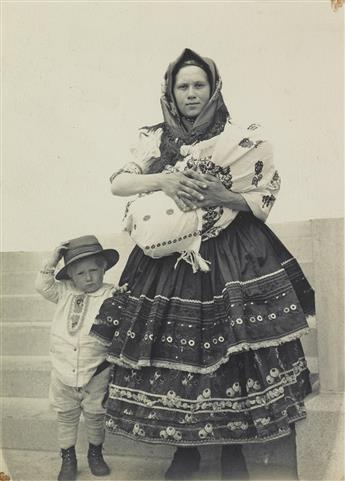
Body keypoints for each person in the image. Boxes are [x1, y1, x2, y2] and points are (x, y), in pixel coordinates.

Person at [90, 49, 315, 480]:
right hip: (170, 256)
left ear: (213, 90)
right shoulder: (154, 137)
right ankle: (185, 451)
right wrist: (164, 179)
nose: (191, 93)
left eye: (199, 85)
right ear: (171, 92)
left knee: (233, 348)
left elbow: (263, 195)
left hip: (232, 252)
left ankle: (234, 450)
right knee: (173, 352)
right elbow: (118, 182)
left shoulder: (239, 140)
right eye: (183, 86)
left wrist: (222, 196)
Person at [35, 235, 125, 481]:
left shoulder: (111, 294)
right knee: (66, 416)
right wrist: (50, 262)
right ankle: (68, 457)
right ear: (70, 276)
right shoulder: (63, 291)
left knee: (96, 416)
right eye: (80, 273)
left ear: (104, 268)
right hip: (62, 371)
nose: (88, 278)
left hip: (96, 370)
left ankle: (95, 454)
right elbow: (43, 286)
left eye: (94, 270)